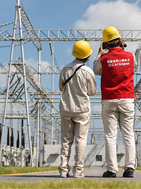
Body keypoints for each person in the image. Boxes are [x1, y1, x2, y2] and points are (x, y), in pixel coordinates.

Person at [93, 26, 136, 178]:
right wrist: (123, 49)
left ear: (105, 44)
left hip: (109, 99)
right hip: (127, 99)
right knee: (128, 135)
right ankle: (129, 168)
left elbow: (96, 70)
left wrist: (99, 54)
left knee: (110, 136)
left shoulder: (104, 59)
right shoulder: (130, 56)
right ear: (119, 41)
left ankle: (112, 170)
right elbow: (133, 67)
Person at [58, 40, 97, 178]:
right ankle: (78, 171)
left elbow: (61, 87)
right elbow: (92, 92)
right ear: (87, 56)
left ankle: (63, 170)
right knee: (81, 139)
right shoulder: (88, 71)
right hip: (82, 109)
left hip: (66, 107)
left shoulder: (65, 69)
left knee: (66, 140)